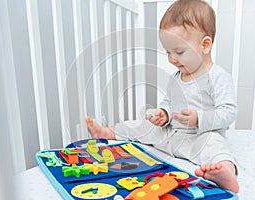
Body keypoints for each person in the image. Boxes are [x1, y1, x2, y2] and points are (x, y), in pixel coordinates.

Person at [86, 0, 239, 193]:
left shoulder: (218, 77)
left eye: (179, 52)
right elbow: (168, 101)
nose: (172, 59)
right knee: (144, 125)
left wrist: (198, 118)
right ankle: (108, 132)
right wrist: (163, 114)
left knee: (214, 144)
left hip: (198, 137)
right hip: (171, 135)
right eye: (168, 52)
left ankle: (225, 171)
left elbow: (228, 112)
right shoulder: (176, 77)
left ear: (205, 45)